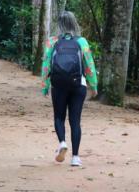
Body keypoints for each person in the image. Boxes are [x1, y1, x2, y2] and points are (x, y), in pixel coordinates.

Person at [40, 11, 98, 167]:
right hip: (78, 85)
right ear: (74, 23)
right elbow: (89, 65)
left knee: (59, 117)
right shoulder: (82, 42)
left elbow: (46, 65)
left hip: (58, 85)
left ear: (58, 24)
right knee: (75, 121)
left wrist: (45, 86)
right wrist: (93, 85)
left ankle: (62, 142)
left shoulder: (52, 41)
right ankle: (76, 157)